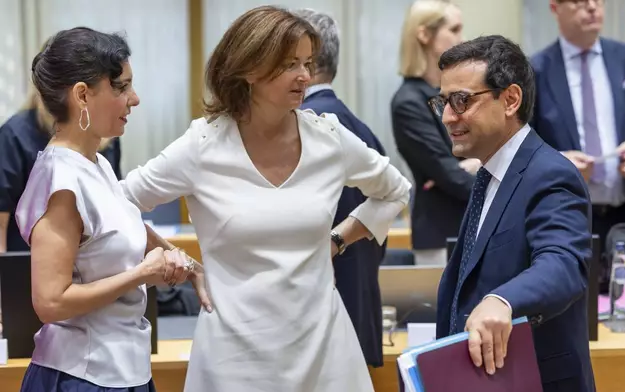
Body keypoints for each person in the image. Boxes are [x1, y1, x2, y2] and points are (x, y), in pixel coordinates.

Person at [120, 6, 410, 391]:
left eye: (307, 62)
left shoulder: (329, 138)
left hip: (325, 353)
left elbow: (395, 191)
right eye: (290, 64)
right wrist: (175, 257)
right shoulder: (203, 145)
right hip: (233, 359)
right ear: (250, 69)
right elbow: (112, 205)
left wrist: (338, 240)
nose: (305, 76)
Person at [15, 27, 200, 392]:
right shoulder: (60, 179)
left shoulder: (96, 163)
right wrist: (141, 273)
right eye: (121, 87)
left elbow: (124, 226)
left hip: (125, 367)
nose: (135, 99)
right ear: (82, 95)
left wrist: (191, 268)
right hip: (81, 375)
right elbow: (51, 302)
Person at [430, 35, 595, 391]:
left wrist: (502, 300)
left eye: (461, 101)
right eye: (443, 102)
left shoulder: (550, 173)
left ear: (510, 99)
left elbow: (563, 263)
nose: (447, 116)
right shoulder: (487, 176)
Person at [294, 8, 387, 368]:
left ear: (308, 61)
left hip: (316, 317)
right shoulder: (363, 130)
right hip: (360, 309)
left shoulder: (302, 130)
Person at [531, 0, 625, 291]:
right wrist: (559, 161)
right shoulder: (536, 69)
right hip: (568, 216)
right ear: (555, 8)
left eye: (598, 0)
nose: (593, 8)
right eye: (581, 1)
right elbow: (522, 143)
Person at [391, 0, 479, 266]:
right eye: (454, 29)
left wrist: (475, 164)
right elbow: (449, 174)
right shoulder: (408, 102)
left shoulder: (456, 92)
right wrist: (477, 169)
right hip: (439, 234)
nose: (462, 39)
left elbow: (487, 151)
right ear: (424, 35)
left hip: (474, 225)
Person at [0, 90, 123, 253]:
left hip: (94, 262)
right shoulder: (14, 136)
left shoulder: (107, 137)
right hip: (31, 265)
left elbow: (115, 208)